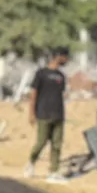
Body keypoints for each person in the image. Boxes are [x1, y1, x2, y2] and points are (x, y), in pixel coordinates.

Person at [24, 49, 71, 180]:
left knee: (57, 144)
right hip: (43, 113)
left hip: (58, 114)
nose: (67, 60)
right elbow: (33, 94)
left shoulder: (61, 76)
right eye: (65, 57)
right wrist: (31, 113)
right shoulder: (41, 74)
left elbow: (61, 94)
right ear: (58, 57)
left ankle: (54, 170)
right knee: (41, 142)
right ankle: (31, 163)